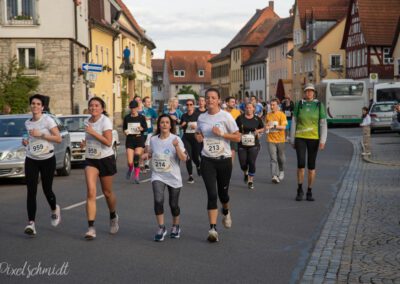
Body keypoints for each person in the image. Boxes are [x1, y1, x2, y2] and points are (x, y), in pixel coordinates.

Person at [195, 88, 240, 243]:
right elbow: (197, 132)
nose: (210, 100)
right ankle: (213, 228)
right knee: (212, 194)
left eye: (213, 98)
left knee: (223, 194)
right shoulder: (201, 117)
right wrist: (198, 137)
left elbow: (238, 137)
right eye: (208, 98)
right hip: (207, 160)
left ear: (219, 100)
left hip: (224, 159)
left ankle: (226, 210)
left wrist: (222, 134)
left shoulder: (226, 116)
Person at [22, 94, 62, 236]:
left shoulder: (48, 120)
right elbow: (29, 138)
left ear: (42, 107)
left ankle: (54, 209)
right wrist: (26, 141)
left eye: (38, 104)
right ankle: (31, 223)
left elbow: (58, 138)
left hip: (47, 159)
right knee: (31, 191)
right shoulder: (27, 123)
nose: (35, 106)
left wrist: (42, 135)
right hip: (31, 158)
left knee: (47, 189)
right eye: (33, 103)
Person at [82, 97, 119, 239]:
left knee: (107, 192)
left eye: (96, 105)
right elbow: (90, 138)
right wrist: (85, 143)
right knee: (91, 192)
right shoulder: (87, 121)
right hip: (91, 159)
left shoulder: (105, 121)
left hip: (105, 159)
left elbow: (108, 142)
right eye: (91, 105)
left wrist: (93, 133)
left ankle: (113, 215)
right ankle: (91, 228)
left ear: (102, 108)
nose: (93, 108)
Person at [148, 114, 187, 241]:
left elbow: (183, 158)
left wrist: (176, 146)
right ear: (159, 125)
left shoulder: (176, 139)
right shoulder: (153, 139)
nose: (164, 124)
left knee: (173, 204)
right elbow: (150, 153)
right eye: (162, 122)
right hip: (158, 175)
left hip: (173, 176)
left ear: (170, 125)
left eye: (167, 122)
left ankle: (176, 226)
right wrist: (145, 156)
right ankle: (161, 227)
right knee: (158, 200)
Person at [290, 83, 327, 202]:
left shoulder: (319, 105)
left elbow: (323, 124)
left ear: (314, 93)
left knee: (311, 167)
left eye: (311, 91)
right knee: (301, 164)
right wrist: (292, 138)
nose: (309, 93)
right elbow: (294, 122)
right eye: (306, 91)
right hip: (300, 137)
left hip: (313, 138)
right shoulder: (299, 104)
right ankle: (300, 189)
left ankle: (309, 190)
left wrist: (323, 140)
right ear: (304, 93)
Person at [235, 102, 264, 190]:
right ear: (245, 109)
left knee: (251, 162)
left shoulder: (257, 119)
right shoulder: (240, 118)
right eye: (247, 108)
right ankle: (245, 173)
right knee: (243, 163)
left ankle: (250, 180)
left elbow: (263, 128)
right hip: (242, 144)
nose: (248, 109)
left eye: (250, 108)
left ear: (253, 109)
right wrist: (240, 134)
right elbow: (235, 129)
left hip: (254, 143)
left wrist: (258, 132)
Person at [123, 100, 148, 183]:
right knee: (130, 162)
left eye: (134, 108)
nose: (133, 109)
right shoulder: (127, 118)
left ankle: (136, 176)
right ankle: (130, 168)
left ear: (137, 108)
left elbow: (145, 128)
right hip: (130, 140)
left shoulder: (141, 117)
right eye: (131, 108)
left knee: (136, 157)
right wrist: (125, 132)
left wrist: (141, 128)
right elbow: (124, 129)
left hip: (139, 139)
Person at [266, 98, 288, 184]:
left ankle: (281, 170)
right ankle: (274, 175)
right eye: (271, 105)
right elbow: (266, 126)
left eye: (273, 105)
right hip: (270, 139)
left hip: (280, 140)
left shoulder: (282, 114)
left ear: (277, 105)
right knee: (273, 158)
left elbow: (284, 127)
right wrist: (266, 128)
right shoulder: (268, 115)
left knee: (281, 158)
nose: (272, 106)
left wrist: (273, 126)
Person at [180, 99, 202, 183]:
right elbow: (181, 126)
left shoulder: (197, 115)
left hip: (195, 138)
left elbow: (202, 127)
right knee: (188, 157)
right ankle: (190, 176)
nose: (189, 106)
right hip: (186, 138)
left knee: (196, 157)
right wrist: (182, 125)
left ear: (193, 105)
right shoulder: (184, 116)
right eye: (187, 104)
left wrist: (195, 128)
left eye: (190, 104)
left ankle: (198, 165)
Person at [142, 96, 158, 171]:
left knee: (147, 147)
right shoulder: (140, 110)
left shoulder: (152, 111)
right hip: (141, 132)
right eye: (147, 102)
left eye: (149, 101)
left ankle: (147, 164)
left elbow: (157, 119)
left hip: (149, 131)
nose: (149, 103)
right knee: (142, 147)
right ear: (143, 103)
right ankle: (141, 162)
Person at [225, 96, 241, 163]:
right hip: (224, 135)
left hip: (234, 134)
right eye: (232, 102)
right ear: (227, 103)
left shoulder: (237, 112)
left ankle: (230, 166)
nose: (234, 103)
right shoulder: (222, 112)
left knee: (232, 151)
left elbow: (240, 123)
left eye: (234, 102)